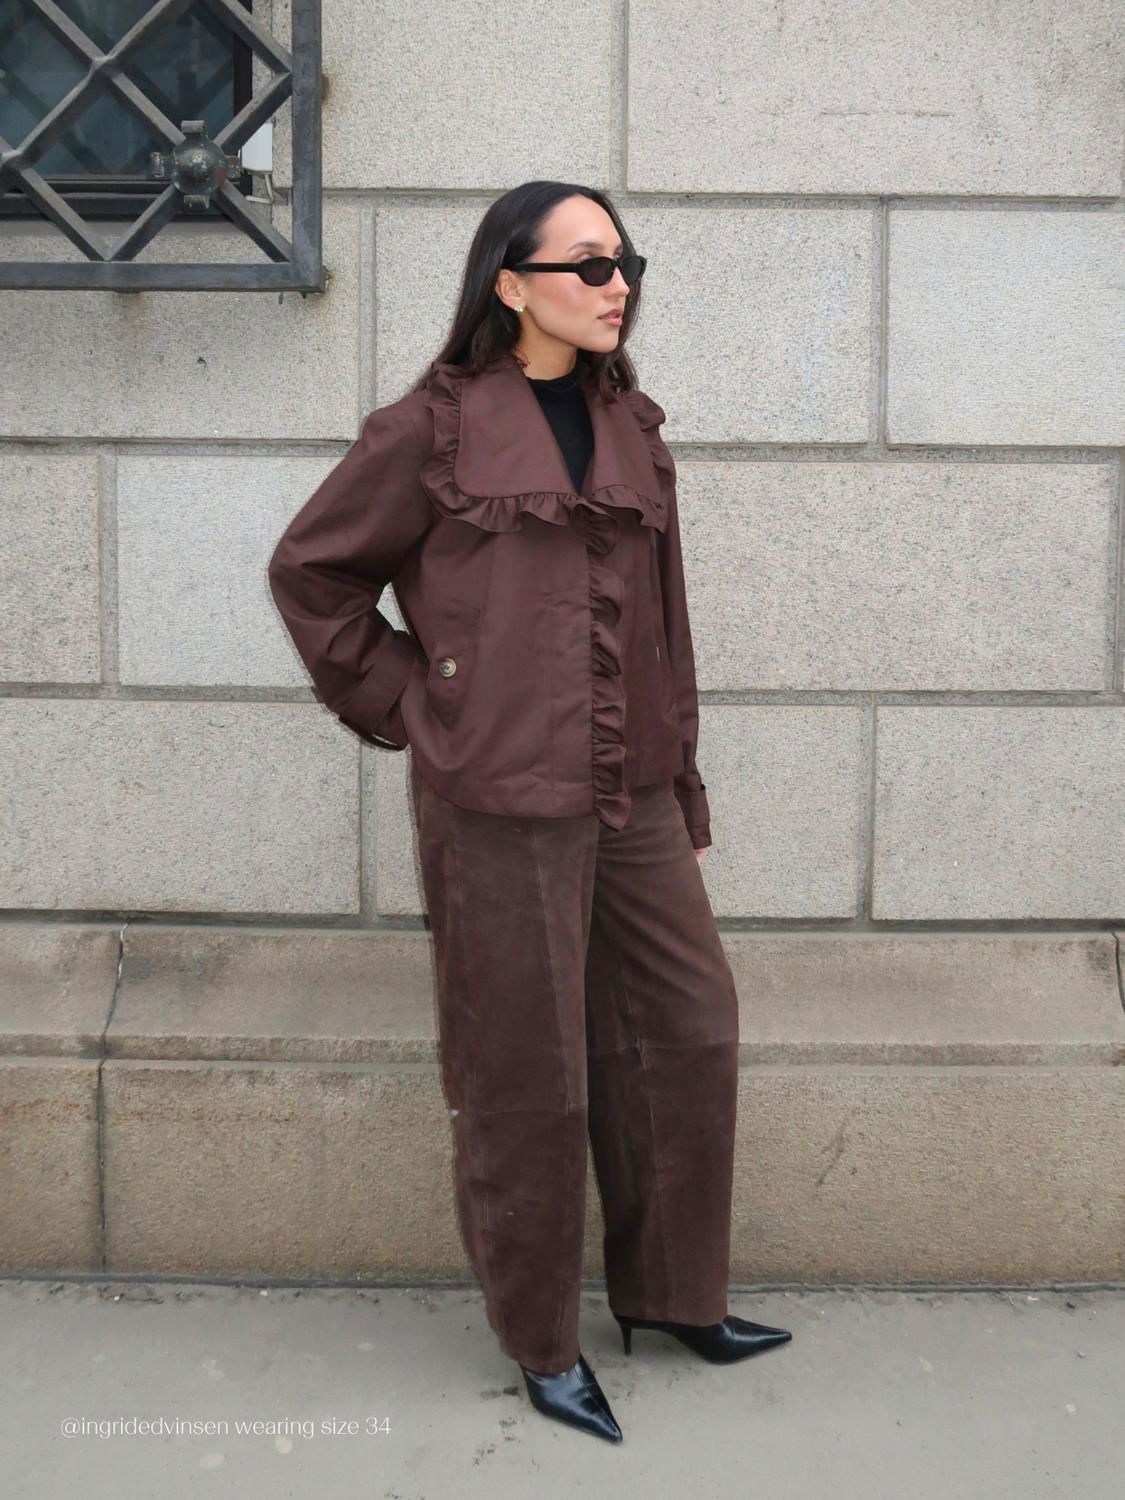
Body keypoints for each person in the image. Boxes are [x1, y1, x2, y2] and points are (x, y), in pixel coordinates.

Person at [267, 180, 792, 1444]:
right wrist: (421, 699)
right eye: (590, 264)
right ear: (512, 284)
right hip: (500, 799)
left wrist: (681, 765)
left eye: (627, 265)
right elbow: (313, 572)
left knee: (688, 1027)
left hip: (634, 787)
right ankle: (543, 1342)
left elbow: (665, 624)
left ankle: (671, 1295)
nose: (618, 287)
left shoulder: (631, 425)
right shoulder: (429, 430)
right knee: (527, 1071)